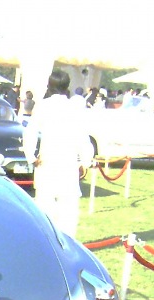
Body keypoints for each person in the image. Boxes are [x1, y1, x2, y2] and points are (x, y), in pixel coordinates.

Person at [23, 69, 94, 238]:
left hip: (47, 163)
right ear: (67, 86)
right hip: (68, 165)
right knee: (68, 214)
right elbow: (83, 137)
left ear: (50, 85)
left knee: (45, 212)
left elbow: (30, 132)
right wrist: (85, 161)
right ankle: (68, 246)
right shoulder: (74, 108)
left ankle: (47, 245)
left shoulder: (43, 106)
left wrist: (31, 157)